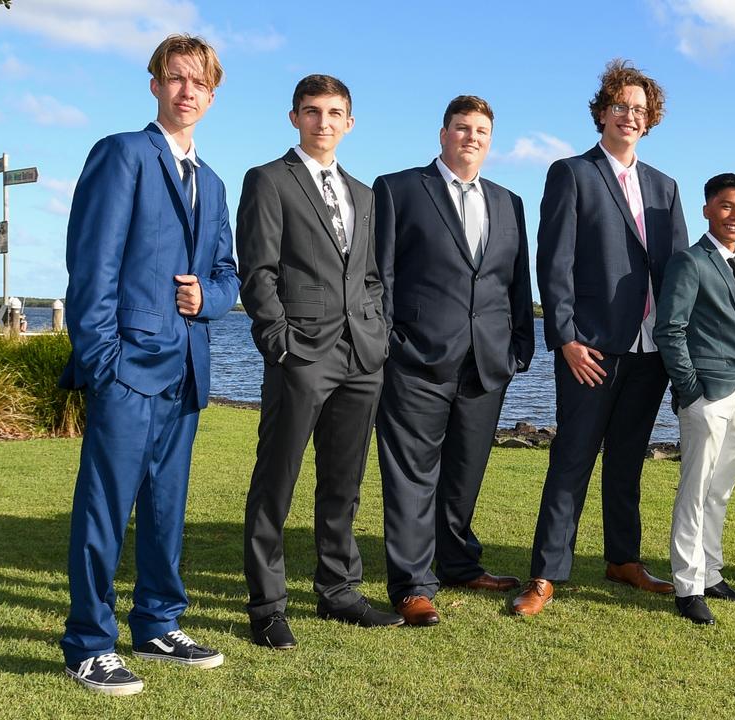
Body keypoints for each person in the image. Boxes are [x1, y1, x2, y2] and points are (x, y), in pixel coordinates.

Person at [58, 34, 237, 696]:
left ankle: (159, 624)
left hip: (186, 371)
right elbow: (92, 264)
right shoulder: (123, 154)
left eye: (200, 83)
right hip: (126, 367)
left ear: (212, 96)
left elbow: (227, 275)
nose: (188, 90)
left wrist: (206, 299)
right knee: (105, 510)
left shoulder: (213, 183)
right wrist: (101, 359)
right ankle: (88, 643)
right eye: (176, 77)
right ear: (156, 83)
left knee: (166, 508)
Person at [512, 59, 689, 616]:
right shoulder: (571, 173)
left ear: (650, 118)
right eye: (620, 107)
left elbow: (679, 273)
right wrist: (564, 336)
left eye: (639, 110)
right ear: (602, 112)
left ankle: (623, 559)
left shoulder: (665, 186)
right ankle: (546, 572)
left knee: (629, 459)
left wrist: (678, 341)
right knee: (571, 458)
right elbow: (554, 260)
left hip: (649, 349)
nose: (629, 116)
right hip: (589, 347)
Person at [238, 74, 401, 650]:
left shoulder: (363, 193)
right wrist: (277, 339)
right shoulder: (268, 180)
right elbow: (257, 271)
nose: (323, 122)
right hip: (300, 354)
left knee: (344, 483)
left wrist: (377, 335)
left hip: (362, 356)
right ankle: (266, 605)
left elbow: (373, 275)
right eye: (312, 112)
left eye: (334, 113)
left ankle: (338, 591)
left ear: (349, 122)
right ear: (294, 118)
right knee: (276, 482)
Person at [372, 96, 534, 626]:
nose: (472, 137)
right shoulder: (398, 189)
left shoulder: (510, 202)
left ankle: (460, 563)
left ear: (491, 140)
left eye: (482, 130)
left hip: (486, 363)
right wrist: (391, 343)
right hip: (416, 359)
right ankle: (413, 585)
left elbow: (515, 283)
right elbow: (382, 277)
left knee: (465, 474)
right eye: (462, 128)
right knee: (412, 478)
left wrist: (518, 348)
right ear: (442, 134)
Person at [654, 173, 735, 625]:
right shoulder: (690, 262)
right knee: (695, 489)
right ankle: (687, 586)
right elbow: (670, 329)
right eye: (726, 206)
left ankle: (711, 574)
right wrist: (690, 390)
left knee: (720, 490)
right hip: (706, 395)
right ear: (707, 210)